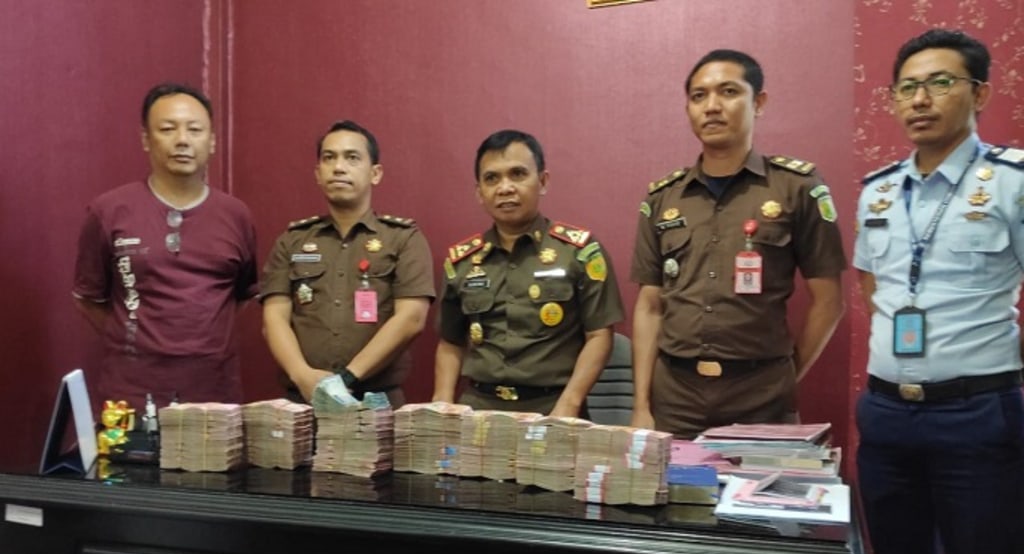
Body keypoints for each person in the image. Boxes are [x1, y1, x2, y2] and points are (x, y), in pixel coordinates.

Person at [854, 29, 1024, 554]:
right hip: (885, 414)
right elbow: (873, 286)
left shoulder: (1011, 182)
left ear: (980, 93)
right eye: (906, 88)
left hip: (977, 414)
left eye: (940, 83)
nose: (920, 100)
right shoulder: (877, 191)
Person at [630, 49, 847, 439]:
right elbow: (649, 306)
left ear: (758, 102)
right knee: (675, 482)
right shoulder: (663, 198)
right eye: (699, 96)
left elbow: (829, 301)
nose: (712, 106)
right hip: (675, 397)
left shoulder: (797, 187)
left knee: (759, 484)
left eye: (728, 92)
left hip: (761, 396)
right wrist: (641, 406)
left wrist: (786, 373)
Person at [73, 82, 259, 412]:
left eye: (195, 130)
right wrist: (136, 336)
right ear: (146, 139)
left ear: (212, 141)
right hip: (131, 393)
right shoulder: (109, 211)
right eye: (168, 129)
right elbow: (88, 298)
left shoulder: (237, 215)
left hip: (213, 393)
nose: (182, 140)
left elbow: (242, 295)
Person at [432, 129, 624, 417]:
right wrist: (442, 404)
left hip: (554, 408)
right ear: (479, 192)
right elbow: (450, 342)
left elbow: (599, 335)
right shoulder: (462, 261)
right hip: (479, 409)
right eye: (491, 178)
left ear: (542, 181)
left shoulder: (579, 252)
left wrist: (569, 405)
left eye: (518, 174)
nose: (505, 188)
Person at [260, 120, 434, 407]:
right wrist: (302, 376)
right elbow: (274, 319)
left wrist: (345, 379)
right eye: (329, 158)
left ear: (375, 173)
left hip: (376, 400)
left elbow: (411, 319)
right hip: (303, 399)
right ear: (318, 174)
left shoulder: (403, 239)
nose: (339, 167)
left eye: (352, 158)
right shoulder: (293, 241)